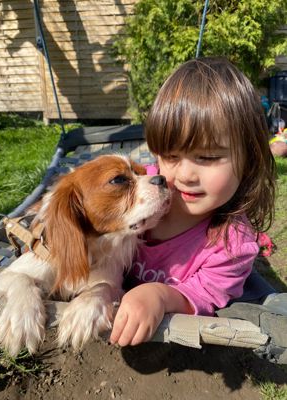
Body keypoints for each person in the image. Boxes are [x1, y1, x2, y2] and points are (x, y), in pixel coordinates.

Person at [110, 56, 277, 348]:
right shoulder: (146, 189)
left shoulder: (232, 245)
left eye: (208, 157)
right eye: (171, 157)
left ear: (249, 159)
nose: (185, 175)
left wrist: (159, 295)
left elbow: (203, 295)